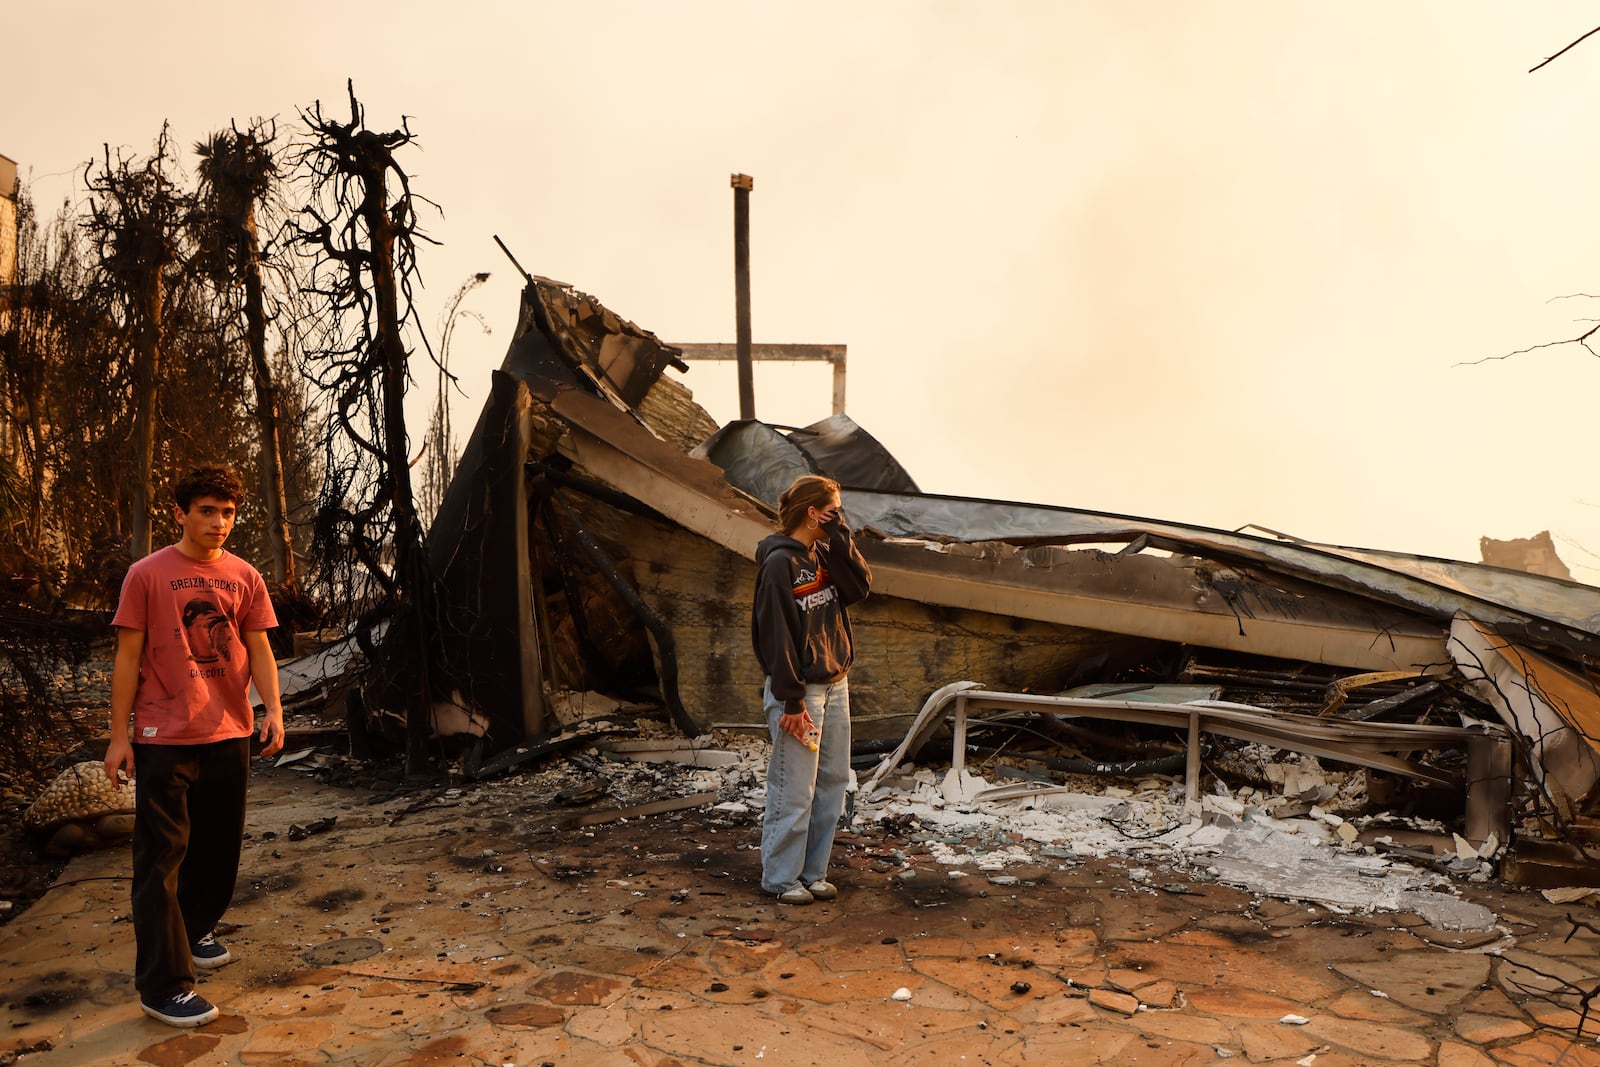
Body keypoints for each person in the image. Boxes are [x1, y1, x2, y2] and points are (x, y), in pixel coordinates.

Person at [103, 466, 285, 1027]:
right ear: (181, 514)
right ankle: (163, 986)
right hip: (163, 735)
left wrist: (272, 709)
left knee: (218, 848)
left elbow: (258, 648)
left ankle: (194, 926)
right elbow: (128, 659)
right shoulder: (147, 575)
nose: (219, 522)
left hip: (228, 729)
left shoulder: (244, 576)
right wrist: (118, 737)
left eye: (227, 512)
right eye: (207, 511)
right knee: (159, 859)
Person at [751, 474, 872, 905]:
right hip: (801, 692)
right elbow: (776, 637)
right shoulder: (778, 565)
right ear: (811, 512)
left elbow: (859, 587)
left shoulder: (823, 551)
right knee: (794, 788)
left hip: (835, 684)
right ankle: (782, 879)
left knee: (833, 783)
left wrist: (839, 535)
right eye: (834, 511)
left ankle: (813, 872)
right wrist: (792, 700)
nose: (839, 517)